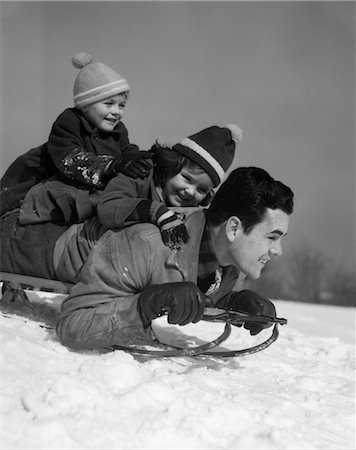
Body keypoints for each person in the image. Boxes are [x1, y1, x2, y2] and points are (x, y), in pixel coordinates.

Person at [54, 166, 294, 351]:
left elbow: (191, 278)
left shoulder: (226, 258)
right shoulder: (145, 244)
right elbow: (73, 326)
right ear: (233, 229)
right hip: (41, 247)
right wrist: (145, 305)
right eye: (272, 237)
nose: (277, 250)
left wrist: (234, 303)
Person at [0, 124, 242, 280]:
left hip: (85, 244)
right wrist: (156, 211)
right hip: (44, 228)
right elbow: (109, 207)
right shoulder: (139, 174)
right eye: (187, 178)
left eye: (202, 189)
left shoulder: (189, 210)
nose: (190, 192)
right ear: (172, 166)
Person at [0, 52, 152, 215]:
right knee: (10, 210)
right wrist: (110, 165)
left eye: (121, 105)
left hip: (76, 183)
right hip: (36, 174)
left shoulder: (118, 129)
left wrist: (141, 159)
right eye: (109, 104)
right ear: (85, 105)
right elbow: (71, 160)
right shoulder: (70, 121)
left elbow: (126, 151)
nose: (116, 111)